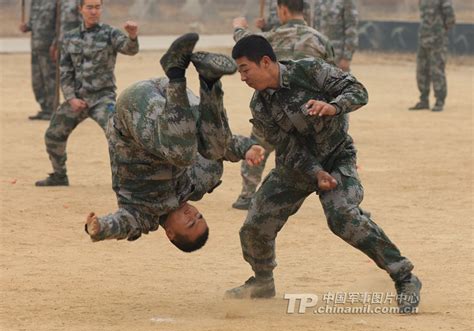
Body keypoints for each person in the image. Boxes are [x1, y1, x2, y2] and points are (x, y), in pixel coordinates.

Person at [225, 35, 422, 314]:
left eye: (245, 69)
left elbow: (358, 90)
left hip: (337, 158)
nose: (242, 77)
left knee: (342, 216)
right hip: (296, 167)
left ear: (266, 62)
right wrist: (315, 172)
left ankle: (405, 277)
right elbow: (286, 147)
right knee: (255, 223)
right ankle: (262, 282)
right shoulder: (260, 105)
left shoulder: (309, 70)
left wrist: (334, 106)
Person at [84, 33, 265, 252]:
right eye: (199, 216)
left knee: (183, 155)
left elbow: (124, 224)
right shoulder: (197, 183)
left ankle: (177, 71)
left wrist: (99, 228)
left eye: (191, 222)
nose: (193, 213)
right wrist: (245, 149)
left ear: (170, 234)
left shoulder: (142, 213)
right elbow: (219, 147)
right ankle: (209, 80)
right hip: (169, 95)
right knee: (212, 152)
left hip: (134, 109)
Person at [232, 0, 335, 210]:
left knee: (259, 145)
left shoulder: (270, 38)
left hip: (275, 109)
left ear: (283, 10)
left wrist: (239, 27)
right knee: (330, 153)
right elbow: (331, 79)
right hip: (311, 112)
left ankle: (246, 195)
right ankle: (340, 198)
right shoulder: (321, 40)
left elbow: (247, 43)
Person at [35, 0, 139, 187]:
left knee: (118, 137)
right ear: (80, 9)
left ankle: (124, 180)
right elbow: (65, 71)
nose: (94, 11)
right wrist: (71, 98)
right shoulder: (70, 37)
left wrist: (132, 36)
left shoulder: (109, 33)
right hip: (77, 99)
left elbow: (129, 50)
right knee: (53, 134)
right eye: (89, 7)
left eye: (97, 7)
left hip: (103, 99)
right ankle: (59, 175)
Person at [409, 0, 455, 112]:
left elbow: (450, 18)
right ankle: (424, 100)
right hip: (424, 38)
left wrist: (440, 32)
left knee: (437, 71)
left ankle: (439, 100)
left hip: (437, 40)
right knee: (421, 70)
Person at [19, 0, 57, 120]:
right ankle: (45, 108)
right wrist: (27, 26)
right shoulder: (35, 2)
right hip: (36, 48)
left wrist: (56, 44)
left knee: (50, 80)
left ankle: (53, 110)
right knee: (37, 81)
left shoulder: (56, 2)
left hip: (49, 48)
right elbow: (34, 23)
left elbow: (60, 25)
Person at [312, 0, 359, 72]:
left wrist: (346, 57)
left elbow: (351, 31)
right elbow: (314, 28)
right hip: (319, 55)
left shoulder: (346, 2)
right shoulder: (319, 2)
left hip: (337, 56)